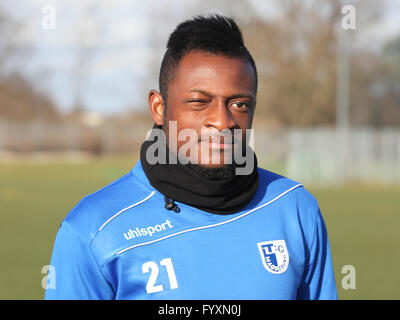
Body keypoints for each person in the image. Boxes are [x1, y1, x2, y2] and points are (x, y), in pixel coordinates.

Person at [45, 14, 337, 300]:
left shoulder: (294, 208)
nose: (222, 122)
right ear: (159, 108)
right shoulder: (93, 229)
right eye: (199, 102)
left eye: (239, 103)